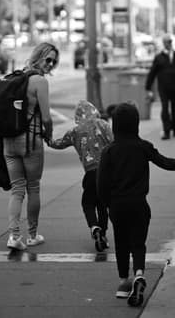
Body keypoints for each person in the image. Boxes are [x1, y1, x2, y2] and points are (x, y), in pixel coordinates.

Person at [97, 102, 175, 307]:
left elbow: (101, 184)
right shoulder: (142, 147)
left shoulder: (109, 151)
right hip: (139, 204)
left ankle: (124, 282)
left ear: (115, 125)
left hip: (117, 206)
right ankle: (138, 273)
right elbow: (162, 161)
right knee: (138, 243)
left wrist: (108, 204)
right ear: (135, 124)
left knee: (121, 242)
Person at [4, 42, 57, 251]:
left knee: (16, 190)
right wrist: (49, 136)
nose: (51, 64)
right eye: (48, 59)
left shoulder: (15, 78)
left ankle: (13, 236)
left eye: (54, 61)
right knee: (32, 187)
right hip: (30, 142)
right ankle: (32, 236)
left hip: (8, 142)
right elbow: (46, 118)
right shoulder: (39, 82)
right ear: (39, 57)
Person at [48, 100, 114, 251]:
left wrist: (48, 140)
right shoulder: (104, 125)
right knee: (103, 205)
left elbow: (59, 144)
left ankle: (94, 226)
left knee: (88, 203)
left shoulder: (75, 131)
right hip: (106, 173)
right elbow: (114, 143)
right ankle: (103, 234)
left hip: (90, 174)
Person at [145, 34, 175, 140]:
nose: (168, 44)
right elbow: (152, 73)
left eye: (169, 42)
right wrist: (148, 87)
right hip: (163, 87)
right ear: (164, 43)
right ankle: (166, 131)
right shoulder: (159, 58)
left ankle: (174, 128)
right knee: (164, 108)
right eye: (166, 42)